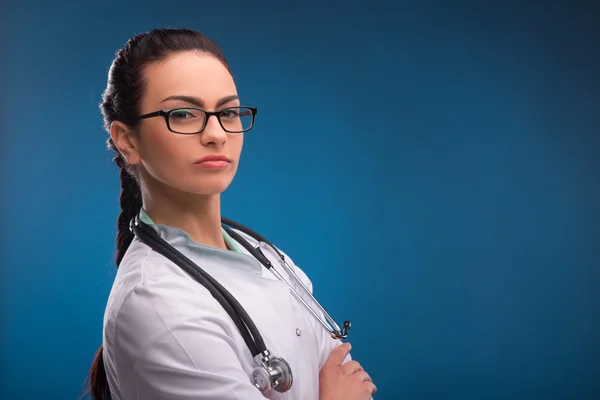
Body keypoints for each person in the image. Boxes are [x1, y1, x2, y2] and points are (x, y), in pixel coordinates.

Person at [86, 28, 377, 400]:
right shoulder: (157, 305)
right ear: (127, 139)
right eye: (184, 114)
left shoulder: (267, 256)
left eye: (228, 111)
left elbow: (342, 370)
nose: (216, 133)